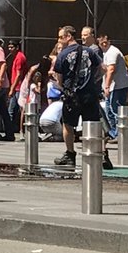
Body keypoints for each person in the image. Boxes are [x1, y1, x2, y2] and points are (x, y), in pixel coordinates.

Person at [52, 25, 112, 169]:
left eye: (61, 37)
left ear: (68, 37)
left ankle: (70, 154)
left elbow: (59, 79)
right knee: (92, 125)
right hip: (89, 94)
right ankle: (100, 154)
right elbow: (103, 69)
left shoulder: (62, 55)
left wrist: (62, 86)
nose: (59, 40)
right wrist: (91, 81)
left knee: (68, 125)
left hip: (71, 95)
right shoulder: (89, 51)